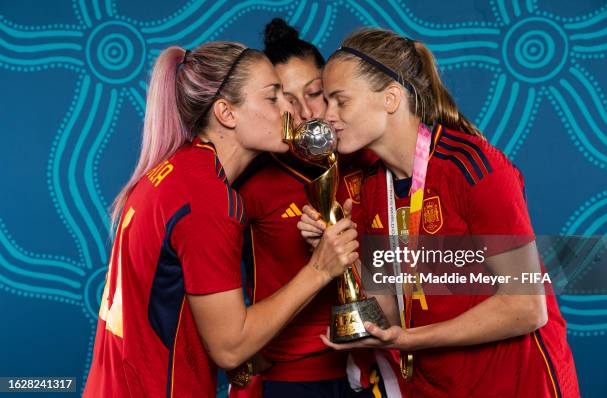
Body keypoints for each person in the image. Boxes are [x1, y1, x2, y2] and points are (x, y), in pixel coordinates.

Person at [299, 28, 580, 397]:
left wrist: (412, 339)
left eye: (340, 101)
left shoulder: (474, 167)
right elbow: (388, 311)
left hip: (516, 383)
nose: (327, 117)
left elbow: (527, 307)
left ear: (390, 98)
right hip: (437, 385)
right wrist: (335, 255)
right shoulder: (371, 189)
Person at [83, 41, 360, 398]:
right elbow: (230, 346)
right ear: (226, 113)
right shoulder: (206, 197)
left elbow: (172, 308)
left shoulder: (179, 173)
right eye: (272, 98)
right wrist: (320, 269)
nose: (288, 112)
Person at [233, 19, 385, 398]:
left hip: (373, 363)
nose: (305, 111)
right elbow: (209, 274)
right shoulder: (251, 179)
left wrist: (354, 235)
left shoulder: (367, 160)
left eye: (315, 92)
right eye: (286, 98)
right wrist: (245, 357)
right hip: (292, 376)